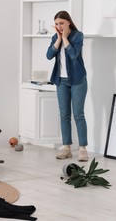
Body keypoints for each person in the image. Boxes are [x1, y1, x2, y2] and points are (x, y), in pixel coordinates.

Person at [46, 11, 88, 162]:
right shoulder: (54, 38)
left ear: (68, 22)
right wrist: (58, 39)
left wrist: (65, 38)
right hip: (61, 81)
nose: (59, 26)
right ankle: (67, 148)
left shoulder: (78, 36)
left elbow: (73, 55)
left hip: (77, 80)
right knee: (64, 115)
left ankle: (82, 148)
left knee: (78, 114)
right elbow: (49, 55)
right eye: (56, 24)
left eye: (61, 23)